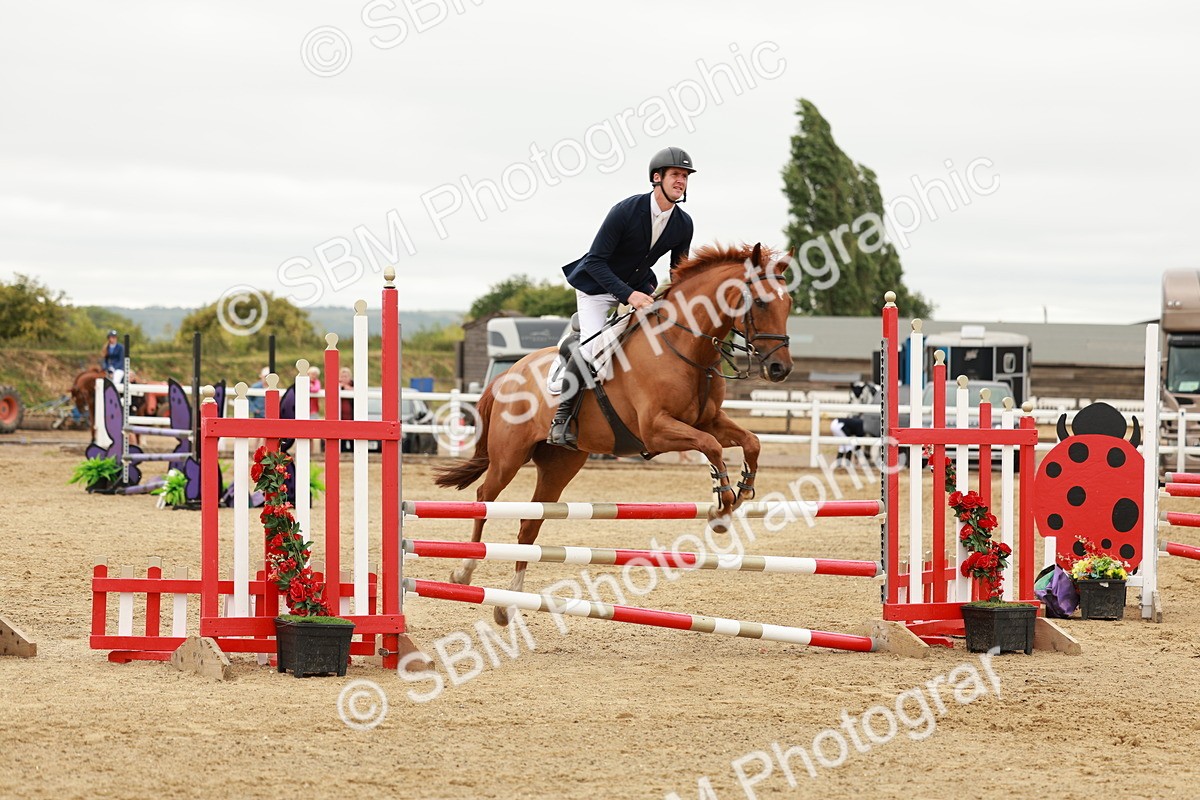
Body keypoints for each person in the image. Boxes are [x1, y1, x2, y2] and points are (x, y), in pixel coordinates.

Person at [548, 146, 697, 449]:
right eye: (675, 175)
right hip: (596, 288)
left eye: (685, 176)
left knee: (653, 343)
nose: (681, 181)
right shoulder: (626, 211)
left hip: (640, 288)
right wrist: (629, 295)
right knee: (592, 349)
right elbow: (594, 261)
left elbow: (678, 271)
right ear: (657, 178)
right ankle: (561, 419)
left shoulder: (683, 223)